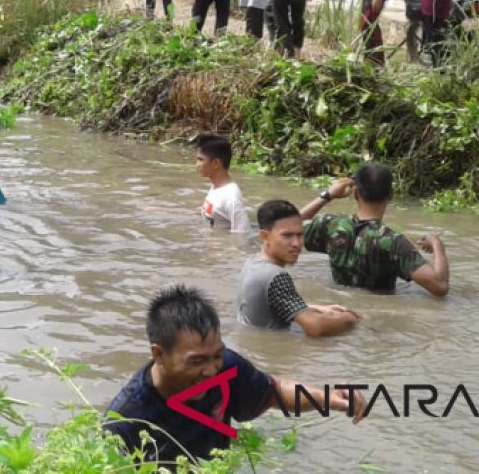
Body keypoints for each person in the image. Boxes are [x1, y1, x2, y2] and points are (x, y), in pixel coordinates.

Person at [105, 285, 363, 465]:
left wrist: (327, 398)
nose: (209, 370)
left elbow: (274, 393)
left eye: (216, 355)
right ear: (159, 354)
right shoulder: (126, 418)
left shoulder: (226, 368)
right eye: (196, 361)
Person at [298, 162, 448, 296]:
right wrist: (437, 245)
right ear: (390, 195)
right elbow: (440, 286)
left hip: (338, 306)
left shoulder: (331, 225)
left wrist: (327, 195)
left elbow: (289, 226)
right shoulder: (394, 242)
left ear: (355, 193)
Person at [238, 201, 360, 336]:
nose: (296, 244)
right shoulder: (276, 276)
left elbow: (271, 305)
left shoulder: (252, 262)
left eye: (300, 235)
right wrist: (350, 317)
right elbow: (315, 327)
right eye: (287, 235)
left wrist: (317, 308)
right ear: (265, 236)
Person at [193, 132, 249, 232]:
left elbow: (242, 233)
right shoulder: (216, 187)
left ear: (216, 163)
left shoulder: (231, 198)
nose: (197, 165)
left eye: (201, 160)